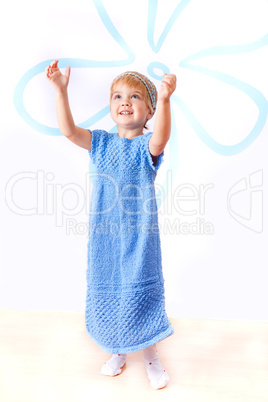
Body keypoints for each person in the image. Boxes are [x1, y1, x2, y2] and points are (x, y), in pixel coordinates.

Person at [46, 60, 177, 390]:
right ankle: (117, 350)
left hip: (138, 238)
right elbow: (68, 131)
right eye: (117, 97)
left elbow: (161, 137)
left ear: (147, 112)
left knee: (140, 294)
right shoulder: (100, 143)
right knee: (110, 291)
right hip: (104, 237)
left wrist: (165, 100)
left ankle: (150, 356)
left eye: (135, 97)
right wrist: (61, 91)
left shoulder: (145, 148)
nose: (125, 103)